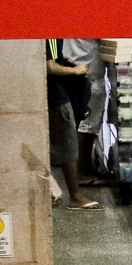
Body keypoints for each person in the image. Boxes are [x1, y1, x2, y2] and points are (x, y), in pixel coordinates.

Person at [45, 40, 100, 210]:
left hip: (55, 90)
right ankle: (75, 197)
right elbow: (49, 66)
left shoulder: (52, 35)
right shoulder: (48, 33)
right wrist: (73, 70)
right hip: (55, 94)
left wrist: (63, 60)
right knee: (68, 139)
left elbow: (53, 58)